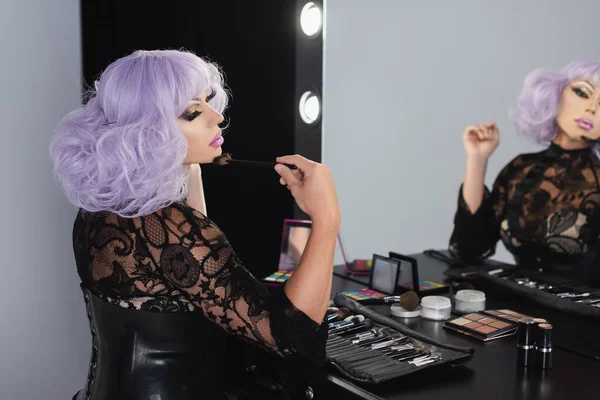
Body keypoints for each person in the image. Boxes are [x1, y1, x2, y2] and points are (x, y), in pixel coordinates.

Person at [49, 49, 341, 399]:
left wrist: (185, 165)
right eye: (192, 112)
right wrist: (326, 219)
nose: (217, 116)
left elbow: (190, 278)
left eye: (208, 102)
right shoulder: (167, 228)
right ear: (148, 133)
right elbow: (288, 336)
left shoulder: (101, 211)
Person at [449, 61, 600, 284]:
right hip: (520, 303)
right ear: (554, 94)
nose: (592, 108)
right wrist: (477, 159)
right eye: (581, 92)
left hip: (584, 315)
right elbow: (470, 248)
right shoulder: (522, 169)